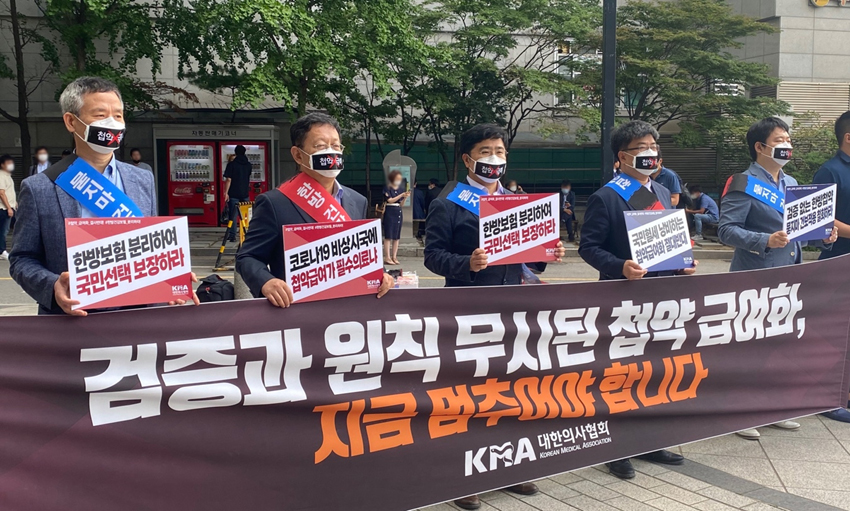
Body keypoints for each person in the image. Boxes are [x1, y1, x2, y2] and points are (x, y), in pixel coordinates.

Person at [425, 123, 565, 510]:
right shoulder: (448, 202)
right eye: (485, 151)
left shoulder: (517, 201)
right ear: (467, 159)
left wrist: (548, 252)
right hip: (467, 310)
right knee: (469, 395)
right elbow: (433, 256)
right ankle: (464, 476)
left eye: (500, 151)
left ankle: (509, 467)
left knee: (512, 389)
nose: (494, 158)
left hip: (514, 309)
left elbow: (531, 258)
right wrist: (466, 263)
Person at [9, 76, 191, 316]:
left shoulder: (142, 179)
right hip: (72, 320)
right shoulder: (39, 187)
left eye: (118, 115)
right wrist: (53, 286)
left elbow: (152, 248)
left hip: (137, 318)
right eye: (100, 115)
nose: (112, 123)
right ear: (71, 122)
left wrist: (170, 279)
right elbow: (22, 258)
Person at [579, 120, 695, 479]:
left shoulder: (661, 191)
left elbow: (669, 242)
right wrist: (620, 266)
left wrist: (682, 265)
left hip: (660, 298)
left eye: (653, 147)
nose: (650, 153)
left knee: (653, 371)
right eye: (641, 148)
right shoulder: (606, 196)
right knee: (620, 374)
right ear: (623, 156)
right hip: (622, 298)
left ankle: (648, 440)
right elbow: (588, 247)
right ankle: (616, 448)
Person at [719, 117, 838, 438]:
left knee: (779, 346)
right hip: (754, 277)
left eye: (788, 140)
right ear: (760, 147)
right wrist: (765, 240)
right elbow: (726, 230)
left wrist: (822, 237)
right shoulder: (742, 182)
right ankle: (739, 412)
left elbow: (800, 231)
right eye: (779, 140)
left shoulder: (792, 182)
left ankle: (772, 407)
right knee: (749, 347)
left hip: (790, 278)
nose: (787, 145)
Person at [236, 113, 394, 307]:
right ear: (298, 155)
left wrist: (382, 275)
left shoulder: (357, 201)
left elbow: (364, 253)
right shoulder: (274, 203)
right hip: (298, 311)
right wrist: (266, 282)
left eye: (336, 146)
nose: (330, 152)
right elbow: (248, 257)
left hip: (348, 309)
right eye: (320, 145)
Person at [810, 110, 850, 423]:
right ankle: (828, 397)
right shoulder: (829, 171)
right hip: (838, 263)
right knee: (834, 333)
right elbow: (820, 218)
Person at [223, 144, 252, 242]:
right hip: (245, 193)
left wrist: (226, 192)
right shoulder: (248, 165)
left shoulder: (232, 165)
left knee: (233, 215)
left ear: (235, 152)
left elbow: (228, 179)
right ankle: (246, 234)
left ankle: (232, 235)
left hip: (234, 193)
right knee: (245, 215)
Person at [383, 170, 409, 264]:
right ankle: (387, 257)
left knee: (396, 236)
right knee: (388, 236)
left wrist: (405, 197)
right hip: (390, 212)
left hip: (398, 211)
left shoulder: (400, 189)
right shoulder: (387, 188)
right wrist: (401, 195)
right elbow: (390, 200)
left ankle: (394, 256)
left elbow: (401, 204)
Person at [0, 155, 16, 260]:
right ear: (2, 164)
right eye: (8, 163)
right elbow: (1, 193)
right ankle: (2, 250)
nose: (11, 165)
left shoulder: (7, 175)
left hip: (10, 206)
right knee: (3, 230)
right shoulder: (1, 175)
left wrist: (14, 202)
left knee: (5, 229)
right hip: (3, 208)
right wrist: (9, 207)